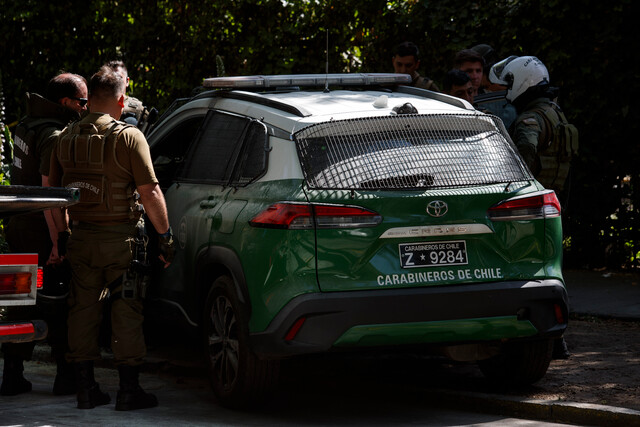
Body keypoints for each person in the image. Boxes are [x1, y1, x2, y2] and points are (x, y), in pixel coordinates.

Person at [49, 66, 175, 410]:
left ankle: (86, 390)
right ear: (122, 98)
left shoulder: (65, 136)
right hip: (122, 243)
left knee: (82, 311)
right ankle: (128, 390)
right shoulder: (128, 137)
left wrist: (60, 239)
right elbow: (150, 192)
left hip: (81, 240)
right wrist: (165, 237)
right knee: (126, 310)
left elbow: (52, 193)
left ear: (89, 98)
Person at [1, 72, 87, 397]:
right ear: (65, 102)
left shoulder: (26, 124)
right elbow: (50, 192)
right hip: (42, 234)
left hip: (19, 227)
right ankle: (64, 377)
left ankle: (12, 374)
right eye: (82, 101)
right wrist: (57, 243)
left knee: (20, 300)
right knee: (56, 301)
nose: (85, 107)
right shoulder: (53, 134)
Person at [490, 56, 578, 359]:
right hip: (552, 204)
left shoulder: (531, 119)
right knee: (551, 270)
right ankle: (556, 338)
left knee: (531, 272)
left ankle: (552, 339)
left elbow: (522, 158)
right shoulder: (555, 113)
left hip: (530, 207)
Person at [105, 60, 149, 129]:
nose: (115, 82)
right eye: (111, 78)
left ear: (127, 81)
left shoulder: (137, 108)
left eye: (119, 77)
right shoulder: (98, 104)